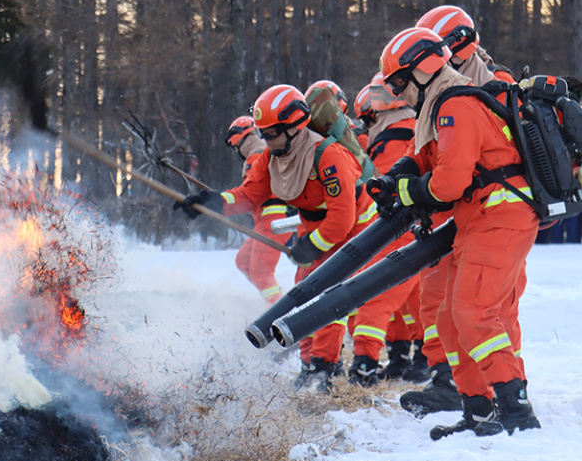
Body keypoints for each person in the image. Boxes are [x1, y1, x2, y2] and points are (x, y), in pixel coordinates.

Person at [176, 84, 416, 391]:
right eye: (263, 133)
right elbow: (249, 194)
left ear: (293, 127)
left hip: (355, 226)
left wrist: (312, 246)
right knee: (303, 292)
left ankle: (323, 368)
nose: (266, 140)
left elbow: (342, 219)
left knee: (329, 294)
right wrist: (213, 202)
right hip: (315, 225)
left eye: (271, 133)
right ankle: (308, 365)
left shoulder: (329, 157)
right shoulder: (270, 157)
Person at [373, 26, 540, 438]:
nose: (398, 93)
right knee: (449, 320)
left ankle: (516, 409)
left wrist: (408, 191)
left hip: (499, 217)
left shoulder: (455, 105)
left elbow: (448, 183)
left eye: (399, 82)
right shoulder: (442, 105)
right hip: (478, 220)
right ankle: (478, 409)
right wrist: (396, 176)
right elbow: (429, 157)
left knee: (473, 312)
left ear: (422, 70)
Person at [354, 77, 428, 382]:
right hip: (416, 227)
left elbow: (381, 188)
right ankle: (415, 356)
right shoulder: (414, 128)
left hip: (396, 228)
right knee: (414, 300)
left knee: (375, 293)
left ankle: (365, 364)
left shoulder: (393, 138)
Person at [224, 115, 294, 304]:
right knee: (244, 261)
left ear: (238, 141)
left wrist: (220, 201)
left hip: (273, 222)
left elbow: (249, 194)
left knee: (261, 271)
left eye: (235, 147)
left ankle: (277, 309)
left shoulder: (256, 156)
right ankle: (270, 300)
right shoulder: (263, 151)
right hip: (266, 220)